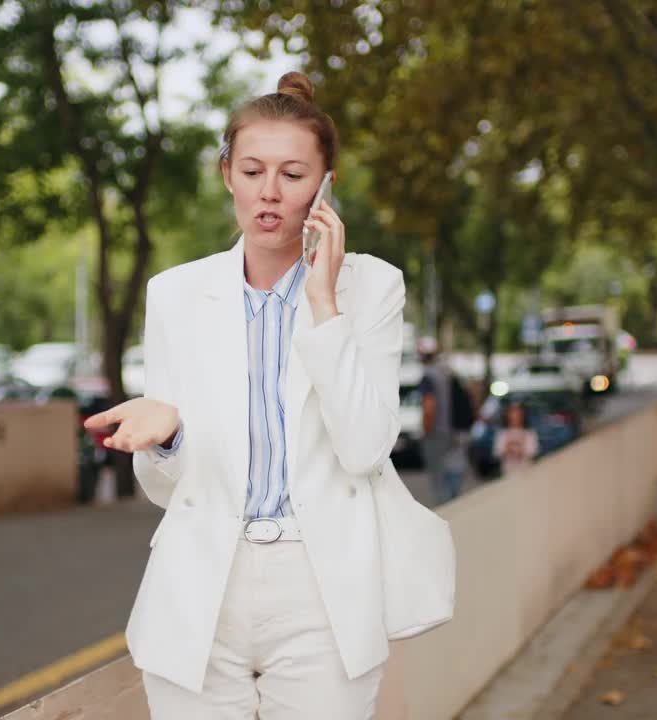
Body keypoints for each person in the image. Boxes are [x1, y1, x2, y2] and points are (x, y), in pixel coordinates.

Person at [84, 72, 448, 719]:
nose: (270, 193)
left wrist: (325, 306)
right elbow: (164, 490)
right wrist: (167, 437)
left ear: (327, 181)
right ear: (227, 173)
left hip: (322, 593)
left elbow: (366, 449)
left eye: (293, 174)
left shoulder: (374, 289)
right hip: (201, 593)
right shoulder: (175, 294)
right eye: (252, 171)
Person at [417, 337, 474, 503]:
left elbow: (429, 408)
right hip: (457, 433)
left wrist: (426, 431)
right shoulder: (447, 372)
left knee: (440, 486)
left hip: (437, 435)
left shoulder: (429, 376)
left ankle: (446, 519)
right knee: (454, 482)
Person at [494, 401, 539, 473]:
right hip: (508, 472)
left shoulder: (529, 434)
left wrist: (520, 450)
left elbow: (533, 452)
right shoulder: (502, 434)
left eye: (518, 414)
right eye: (512, 413)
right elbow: (498, 452)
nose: (515, 416)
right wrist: (508, 449)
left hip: (526, 471)